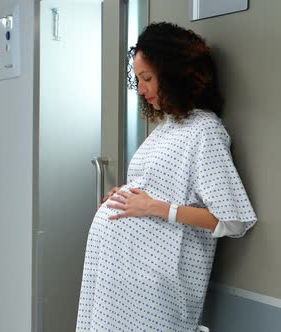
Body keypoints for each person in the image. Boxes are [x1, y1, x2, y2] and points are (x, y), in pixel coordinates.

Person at [75, 22, 257, 331]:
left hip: (155, 289)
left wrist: (154, 208)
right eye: (137, 79)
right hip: (120, 277)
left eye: (147, 78)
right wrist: (127, 195)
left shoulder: (205, 131)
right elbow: (161, 188)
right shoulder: (170, 127)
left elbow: (231, 220)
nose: (141, 89)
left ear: (174, 75)